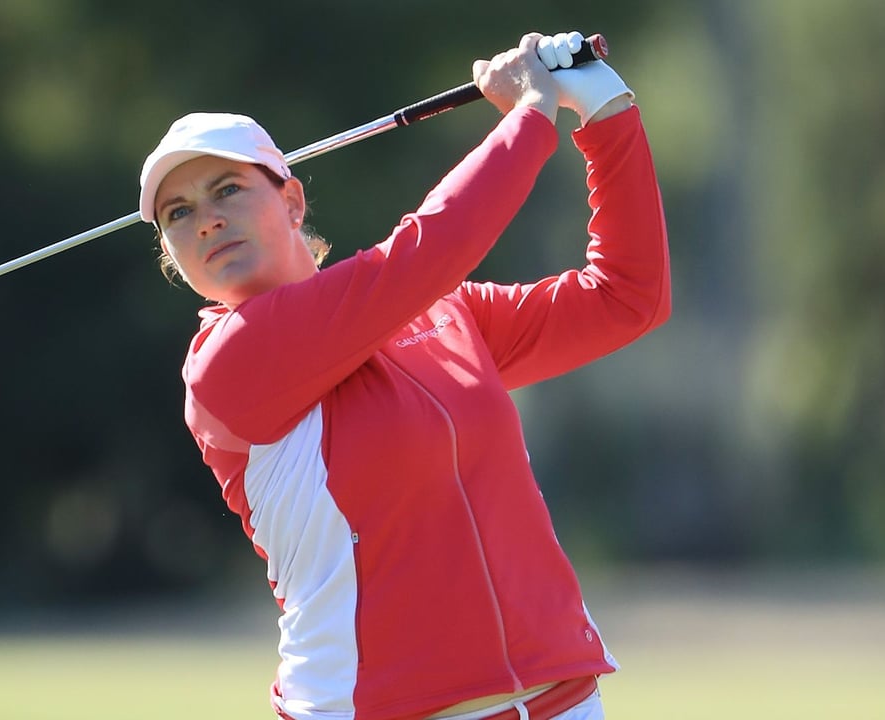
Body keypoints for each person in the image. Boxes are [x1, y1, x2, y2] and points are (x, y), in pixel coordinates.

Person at [137, 31, 670, 720]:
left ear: (293, 201)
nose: (206, 221)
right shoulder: (226, 367)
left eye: (227, 189)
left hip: (557, 699)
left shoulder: (442, 316)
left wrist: (605, 110)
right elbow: (430, 250)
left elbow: (628, 298)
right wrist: (530, 115)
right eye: (179, 214)